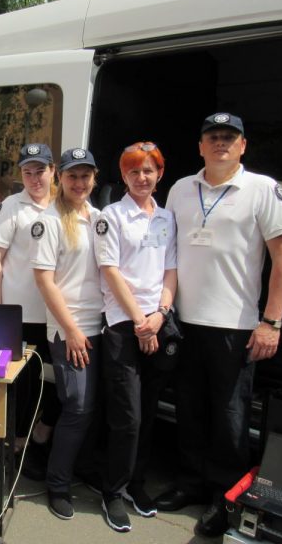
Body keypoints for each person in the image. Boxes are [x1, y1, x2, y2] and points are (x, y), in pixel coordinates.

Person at [156, 113, 282, 537]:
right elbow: (162, 251)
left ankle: (224, 496)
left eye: (229, 137)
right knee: (189, 408)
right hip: (183, 321)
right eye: (213, 136)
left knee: (230, 417)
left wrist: (271, 321)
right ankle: (190, 483)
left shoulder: (263, 189)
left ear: (242, 145)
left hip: (234, 326)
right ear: (200, 146)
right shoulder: (181, 189)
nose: (221, 142)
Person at [94, 142, 177, 532]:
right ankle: (112, 490)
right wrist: (141, 321)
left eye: (148, 170)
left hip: (157, 322)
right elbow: (110, 271)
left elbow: (171, 270)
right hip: (123, 325)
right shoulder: (111, 216)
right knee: (127, 416)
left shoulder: (166, 218)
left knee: (148, 413)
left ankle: (135, 484)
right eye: (134, 171)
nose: (142, 177)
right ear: (123, 176)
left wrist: (160, 315)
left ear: (159, 174)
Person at [30, 147, 102, 522]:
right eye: (72, 175)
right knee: (77, 407)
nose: (79, 182)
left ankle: (82, 468)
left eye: (85, 175)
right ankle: (57, 484)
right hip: (70, 329)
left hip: (102, 325)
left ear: (94, 178)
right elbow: (44, 280)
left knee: (92, 407)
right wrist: (71, 330)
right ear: (61, 178)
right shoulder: (51, 219)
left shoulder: (99, 218)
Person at [0, 143, 60, 476]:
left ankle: (42, 431)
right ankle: (14, 443)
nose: (34, 178)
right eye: (27, 172)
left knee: (57, 381)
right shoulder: (12, 207)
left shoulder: (64, 204)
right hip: (23, 313)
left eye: (40, 171)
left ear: (53, 170)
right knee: (24, 384)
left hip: (57, 313)